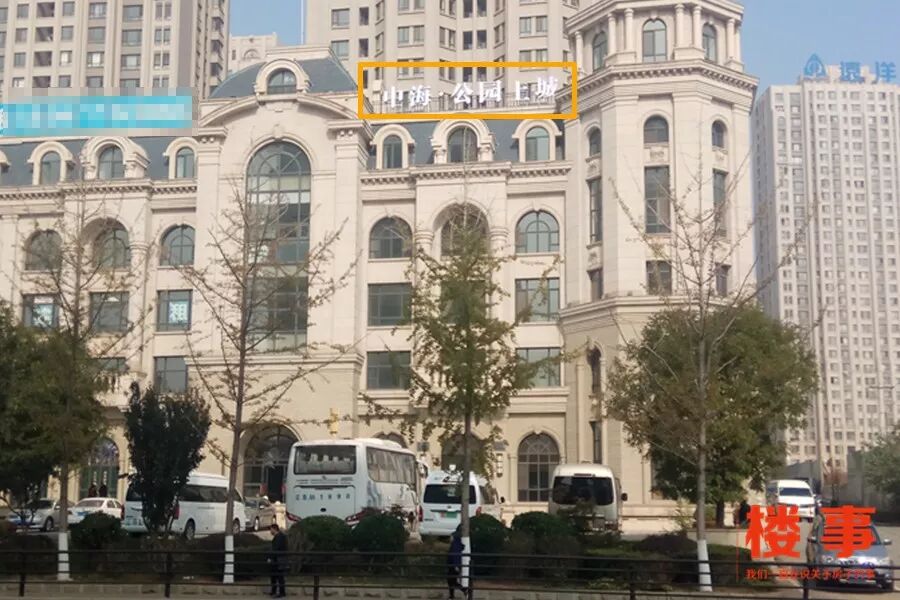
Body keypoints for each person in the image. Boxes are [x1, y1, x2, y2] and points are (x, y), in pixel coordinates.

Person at [268, 523, 287, 598]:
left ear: (274, 529)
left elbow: (276, 549)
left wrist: (271, 557)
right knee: (275, 576)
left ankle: (281, 592)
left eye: (271, 529)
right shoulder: (280, 536)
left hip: (278, 560)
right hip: (278, 559)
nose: (270, 531)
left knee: (279, 576)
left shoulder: (279, 537)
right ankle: (274, 591)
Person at [447, 525, 465, 599]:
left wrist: (456, 565)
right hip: (452, 565)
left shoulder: (455, 545)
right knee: (451, 581)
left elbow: (456, 556)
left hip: (453, 565)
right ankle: (452, 595)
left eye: (451, 537)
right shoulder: (455, 544)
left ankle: (464, 590)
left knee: (451, 581)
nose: (450, 538)